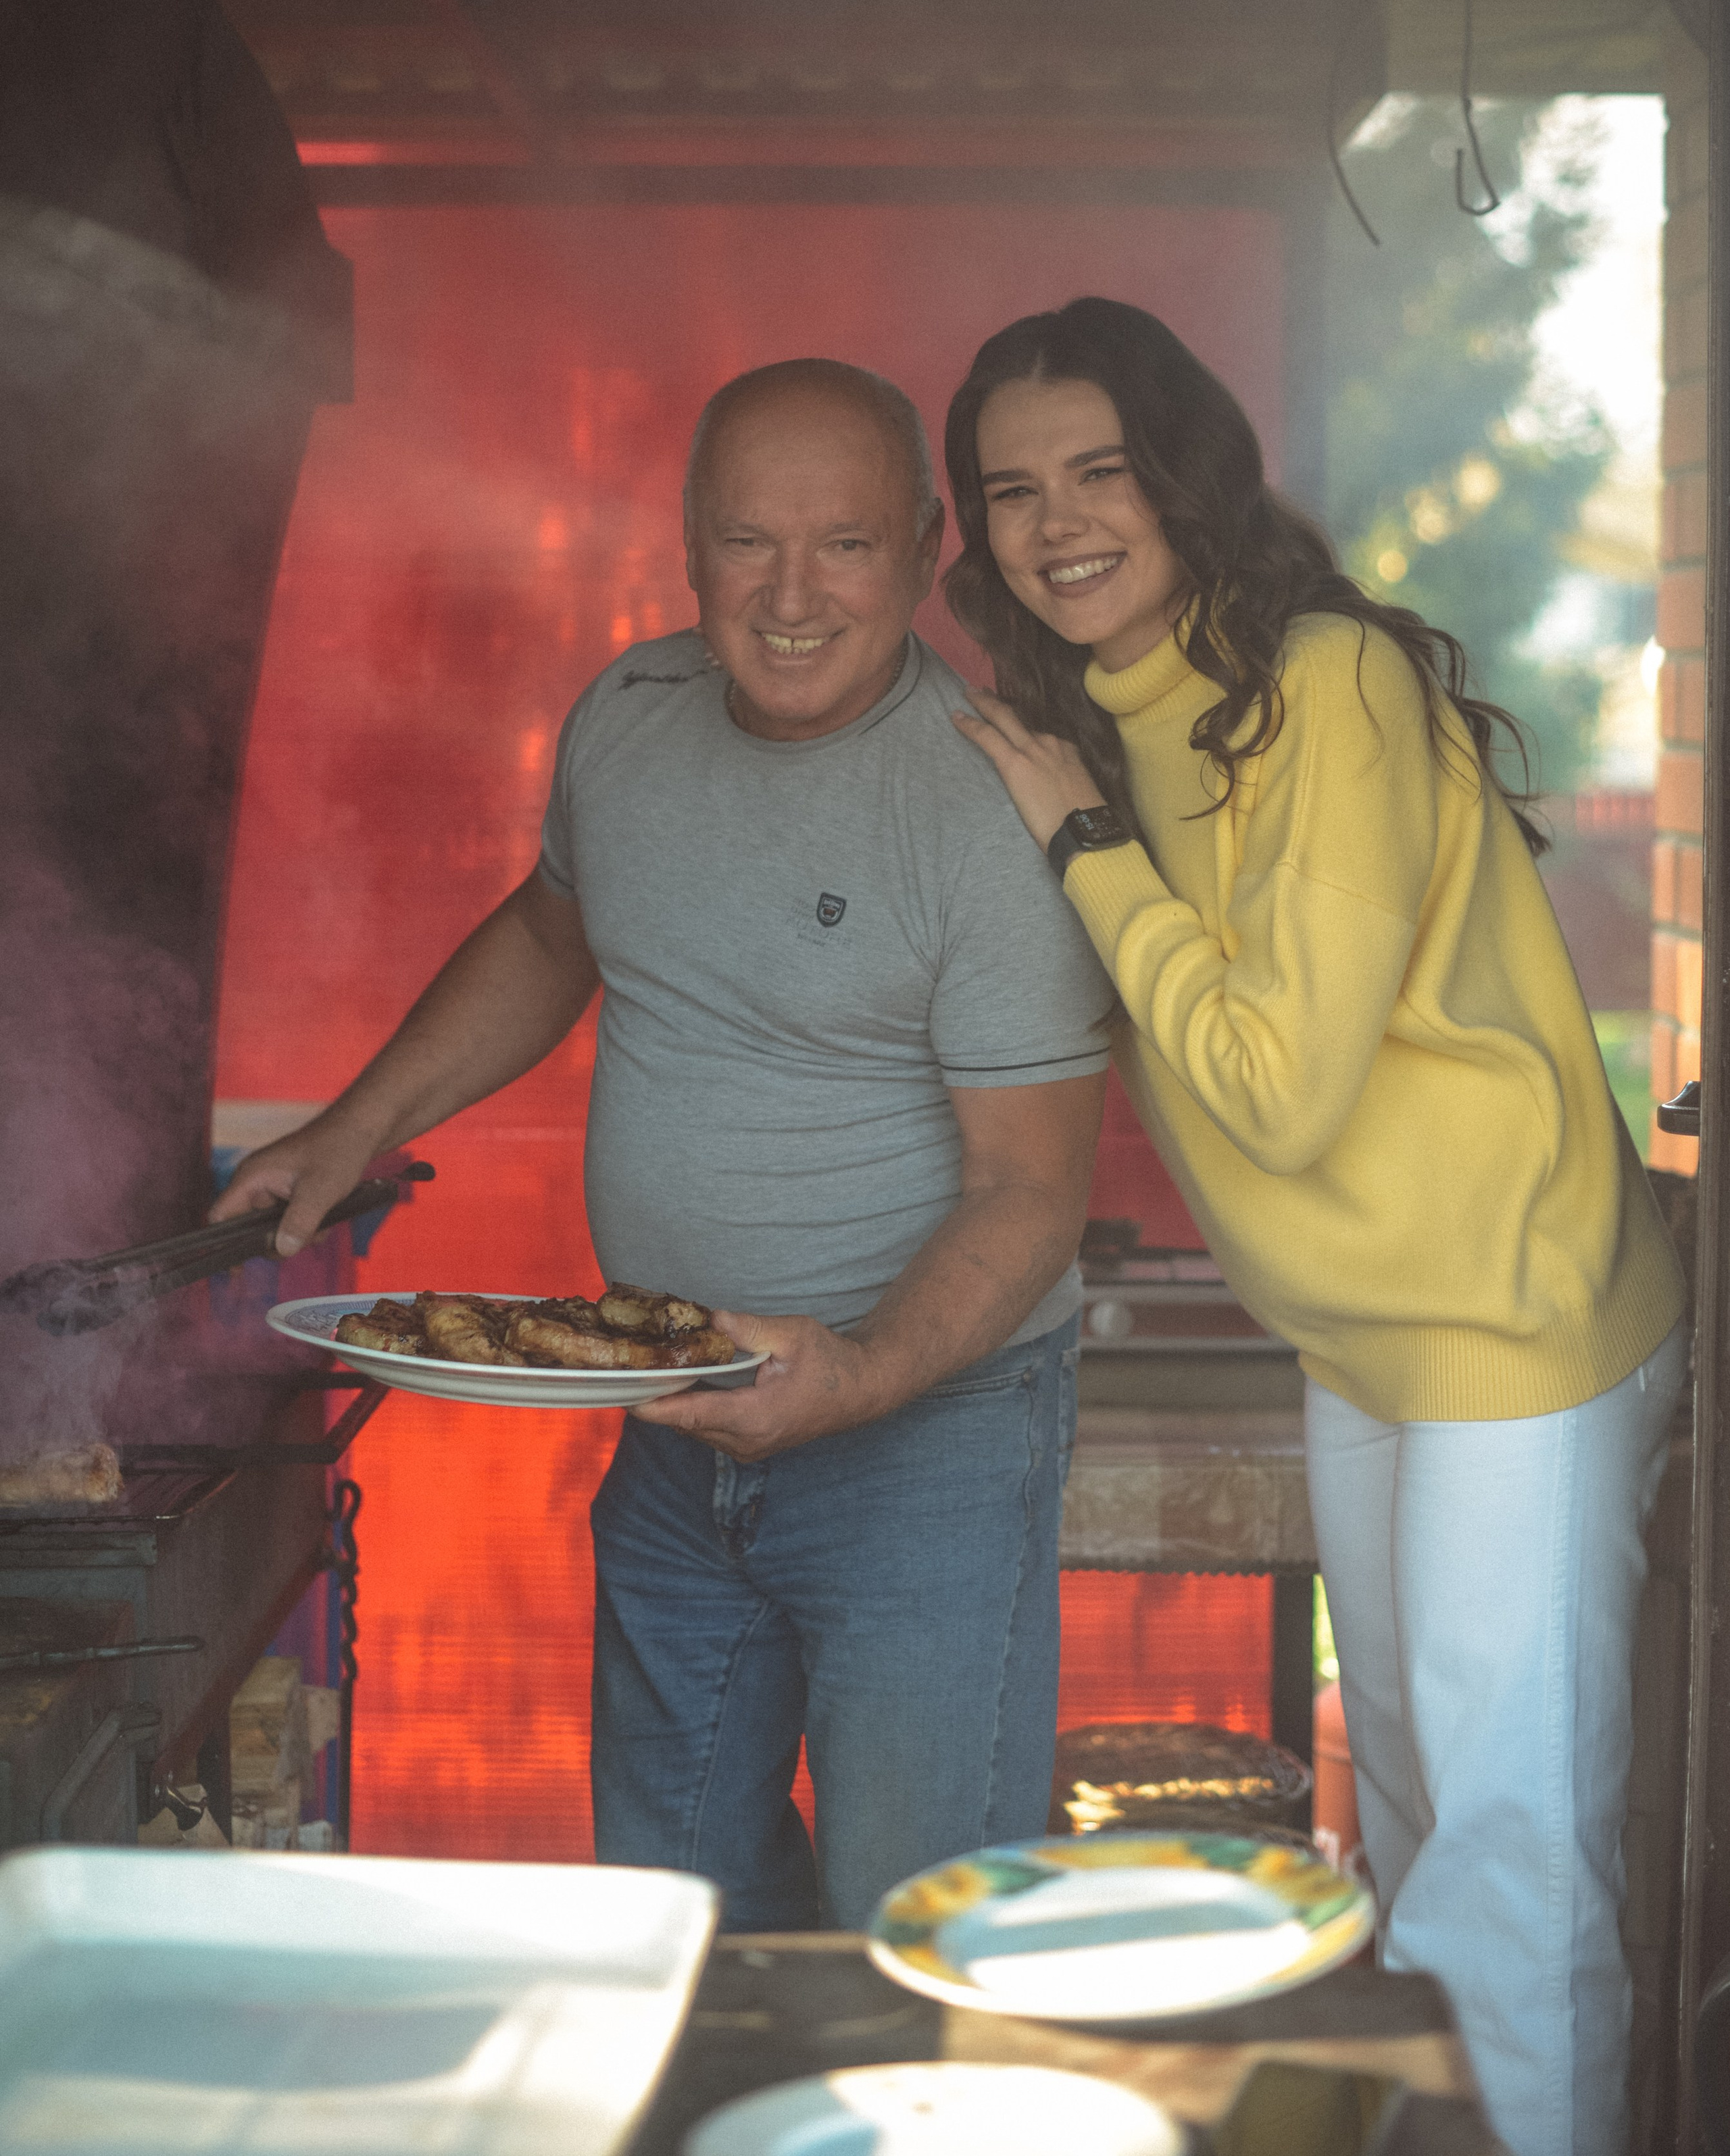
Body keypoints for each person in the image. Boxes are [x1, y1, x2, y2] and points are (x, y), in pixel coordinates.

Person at [215, 356, 1112, 1932]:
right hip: (668, 1419)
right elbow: (554, 937)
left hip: (928, 1445)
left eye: (841, 543)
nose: (787, 594)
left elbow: (1031, 1188)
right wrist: (355, 1128)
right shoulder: (627, 719)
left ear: (923, 556)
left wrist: (851, 1377)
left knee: (925, 1932)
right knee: (672, 1915)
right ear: (686, 546)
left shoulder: (986, 803)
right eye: (744, 541)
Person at [941, 295, 1685, 2156]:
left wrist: (1082, 849)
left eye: (1098, 469)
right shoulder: (1113, 713)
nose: (1055, 521)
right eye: (1011, 488)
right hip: (1361, 1326)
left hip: (1519, 1316)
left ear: (1182, 472)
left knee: (1511, 1847)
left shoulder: (1326, 682)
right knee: (1422, 1811)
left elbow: (1280, 1081)